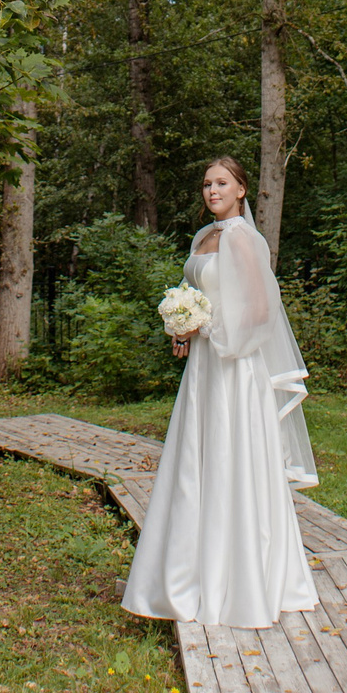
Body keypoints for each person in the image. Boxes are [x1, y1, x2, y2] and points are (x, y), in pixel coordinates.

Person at [120, 156, 320, 629]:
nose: (213, 190)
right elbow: (202, 295)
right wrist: (182, 326)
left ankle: (242, 581)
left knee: (234, 458)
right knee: (197, 459)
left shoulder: (243, 239)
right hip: (204, 369)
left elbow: (258, 312)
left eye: (222, 183)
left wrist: (204, 328)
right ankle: (190, 573)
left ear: (241, 190)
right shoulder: (203, 237)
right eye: (207, 183)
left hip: (235, 367)